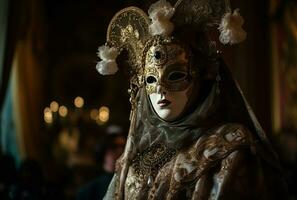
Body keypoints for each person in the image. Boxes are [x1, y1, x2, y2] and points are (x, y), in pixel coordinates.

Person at [96, 0, 288, 199]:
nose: (161, 90)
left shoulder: (227, 149)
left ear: (200, 77)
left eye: (175, 76)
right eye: (151, 80)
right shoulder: (135, 156)